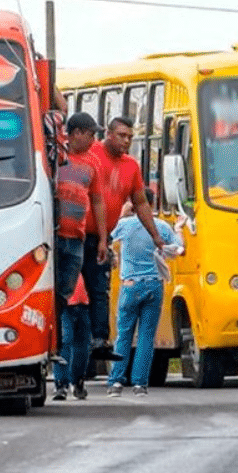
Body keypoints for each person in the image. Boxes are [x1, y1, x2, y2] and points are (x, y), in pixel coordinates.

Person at [83, 116, 166, 362]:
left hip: (102, 237)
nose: (126, 141)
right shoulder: (92, 154)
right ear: (108, 134)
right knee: (73, 294)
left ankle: (99, 340)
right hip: (76, 234)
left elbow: (141, 203)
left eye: (130, 136)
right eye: (121, 135)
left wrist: (156, 236)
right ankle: (71, 342)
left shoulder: (130, 166)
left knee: (100, 290)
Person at [105, 188, 182, 397]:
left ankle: (116, 382)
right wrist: (180, 229)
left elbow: (107, 236)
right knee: (147, 336)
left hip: (130, 285)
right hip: (154, 285)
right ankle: (140, 384)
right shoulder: (162, 227)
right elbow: (179, 248)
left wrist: (123, 213)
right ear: (153, 203)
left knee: (124, 335)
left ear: (133, 203)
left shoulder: (125, 225)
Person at [54, 112, 107, 364]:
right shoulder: (56, 155)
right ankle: (53, 341)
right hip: (53, 235)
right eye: (90, 133)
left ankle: (55, 341)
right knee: (51, 291)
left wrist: (104, 239)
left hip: (77, 237)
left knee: (65, 291)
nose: (94, 139)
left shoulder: (93, 162)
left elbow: (97, 200)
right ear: (75, 133)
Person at [52, 277, 92, 401]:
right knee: (65, 342)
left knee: (83, 346)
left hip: (84, 302)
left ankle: (78, 382)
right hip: (65, 305)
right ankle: (61, 384)